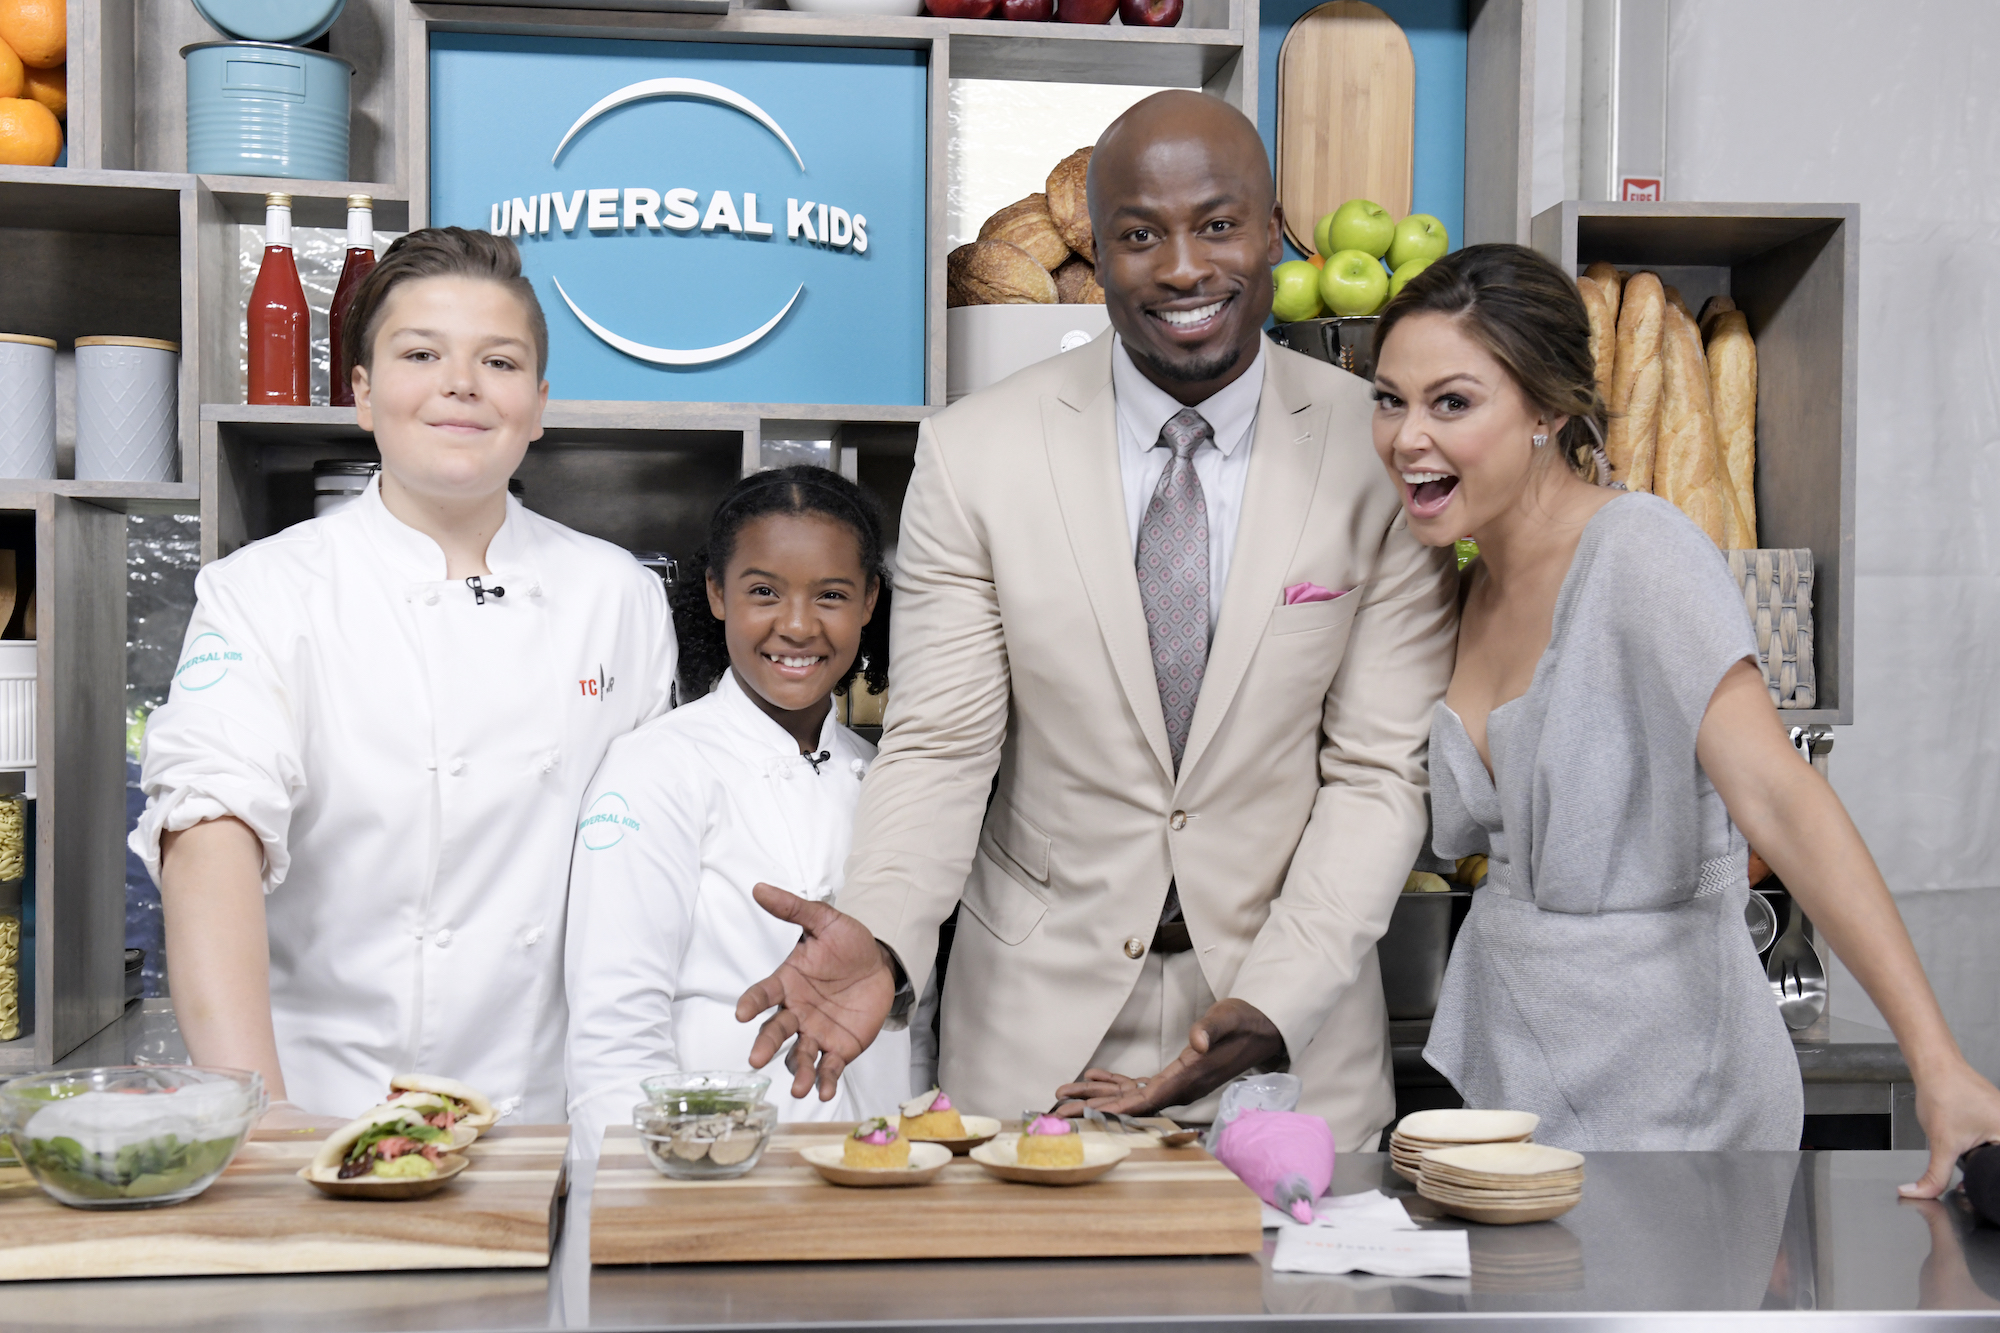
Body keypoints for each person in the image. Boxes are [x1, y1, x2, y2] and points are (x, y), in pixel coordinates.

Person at [729, 89, 1458, 1148]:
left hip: (1289, 1035)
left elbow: (1379, 770)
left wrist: (1275, 998)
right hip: (1034, 1035)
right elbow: (940, 744)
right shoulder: (975, 452)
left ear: (1273, 231)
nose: (1182, 268)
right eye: (1138, 235)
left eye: (1217, 224)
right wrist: (880, 933)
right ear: (1099, 254)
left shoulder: (1379, 448)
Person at [1371, 241, 2000, 1193]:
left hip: (1674, 1084)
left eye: (1451, 402)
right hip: (1516, 1071)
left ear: (1546, 410)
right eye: (1391, 399)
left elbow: (1780, 798)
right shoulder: (1461, 583)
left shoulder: (1641, 553)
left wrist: (1937, 1062)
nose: (1408, 436)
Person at [132, 228, 678, 1126]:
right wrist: (260, 1118)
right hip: (323, 1114)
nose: (461, 383)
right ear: (361, 391)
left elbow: (642, 860)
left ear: (539, 404)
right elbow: (209, 831)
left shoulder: (618, 596)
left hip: (546, 1118)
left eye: (499, 361)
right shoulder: (265, 590)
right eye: (421, 354)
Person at [563, 467, 913, 1153]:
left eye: (831, 594)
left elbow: (912, 1022)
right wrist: (654, 1186)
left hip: (876, 1171)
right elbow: (614, 1031)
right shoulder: (655, 768)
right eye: (764, 592)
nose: (798, 625)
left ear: (870, 600)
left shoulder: (888, 775)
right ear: (717, 593)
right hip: (711, 1174)